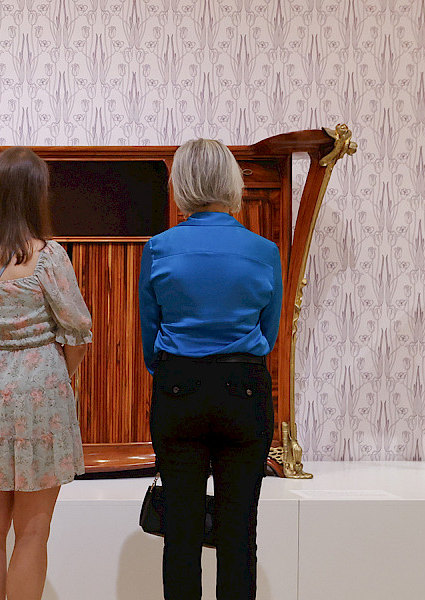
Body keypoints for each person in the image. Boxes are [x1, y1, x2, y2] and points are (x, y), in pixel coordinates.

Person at [0, 146, 92, 600]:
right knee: (33, 533)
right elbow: (79, 329)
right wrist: (59, 375)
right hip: (40, 393)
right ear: (34, 196)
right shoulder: (47, 257)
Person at [139, 138, 281, 600]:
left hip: (179, 388)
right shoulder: (264, 251)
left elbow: (149, 335)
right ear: (231, 182)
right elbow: (270, 333)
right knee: (239, 533)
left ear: (181, 183)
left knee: (180, 534)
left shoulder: (159, 248)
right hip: (244, 389)